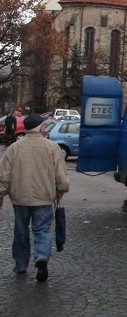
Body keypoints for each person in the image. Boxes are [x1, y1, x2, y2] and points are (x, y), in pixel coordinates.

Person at [0, 113, 70, 282]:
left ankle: (21, 264)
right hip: (44, 197)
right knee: (42, 230)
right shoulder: (52, 147)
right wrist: (61, 190)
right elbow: (60, 175)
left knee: (21, 231)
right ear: (40, 128)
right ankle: (42, 256)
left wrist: (1, 194)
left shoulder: (14, 148)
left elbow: (4, 175)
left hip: (20, 198)